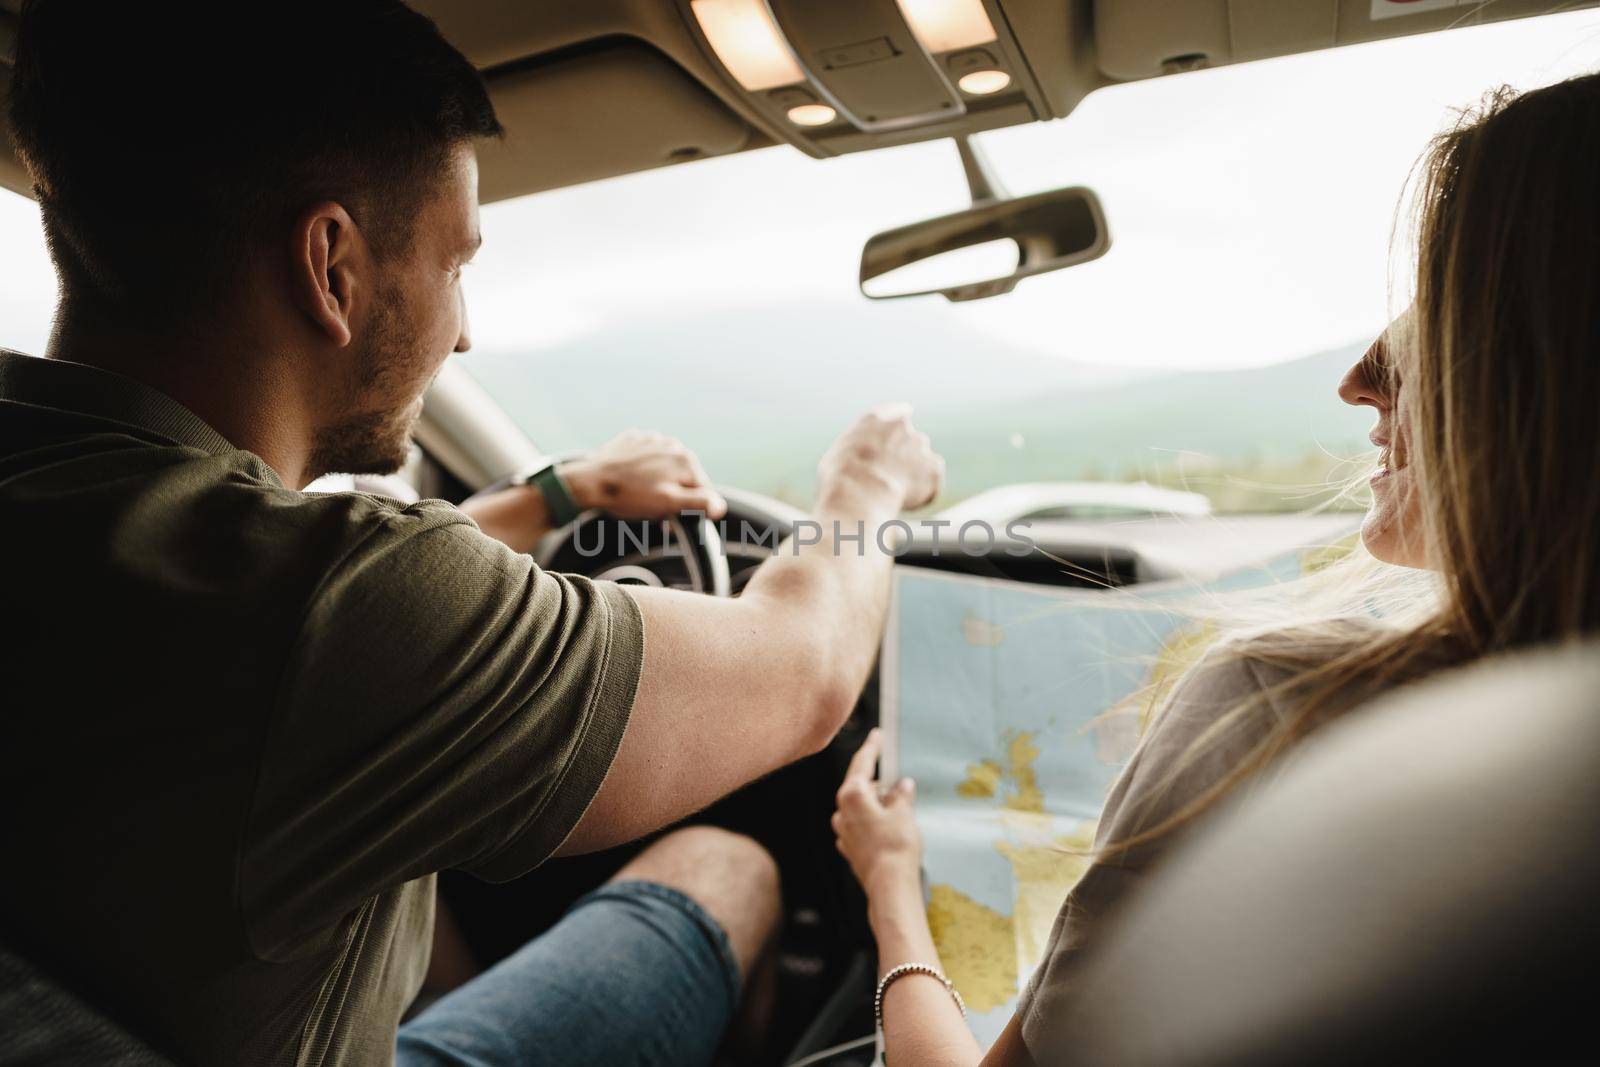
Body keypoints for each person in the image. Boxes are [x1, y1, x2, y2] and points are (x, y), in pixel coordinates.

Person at [0, 2, 943, 1066]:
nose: (466, 326)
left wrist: (554, 494)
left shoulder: (83, 514)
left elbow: (292, 572)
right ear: (332, 266)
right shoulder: (337, 614)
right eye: (457, 264)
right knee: (726, 866)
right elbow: (806, 675)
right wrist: (866, 485)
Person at [829, 70, 1600, 1066]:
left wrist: (892, 887)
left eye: (1446, 305)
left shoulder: (1276, 705)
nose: (1359, 375)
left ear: (1547, 370)